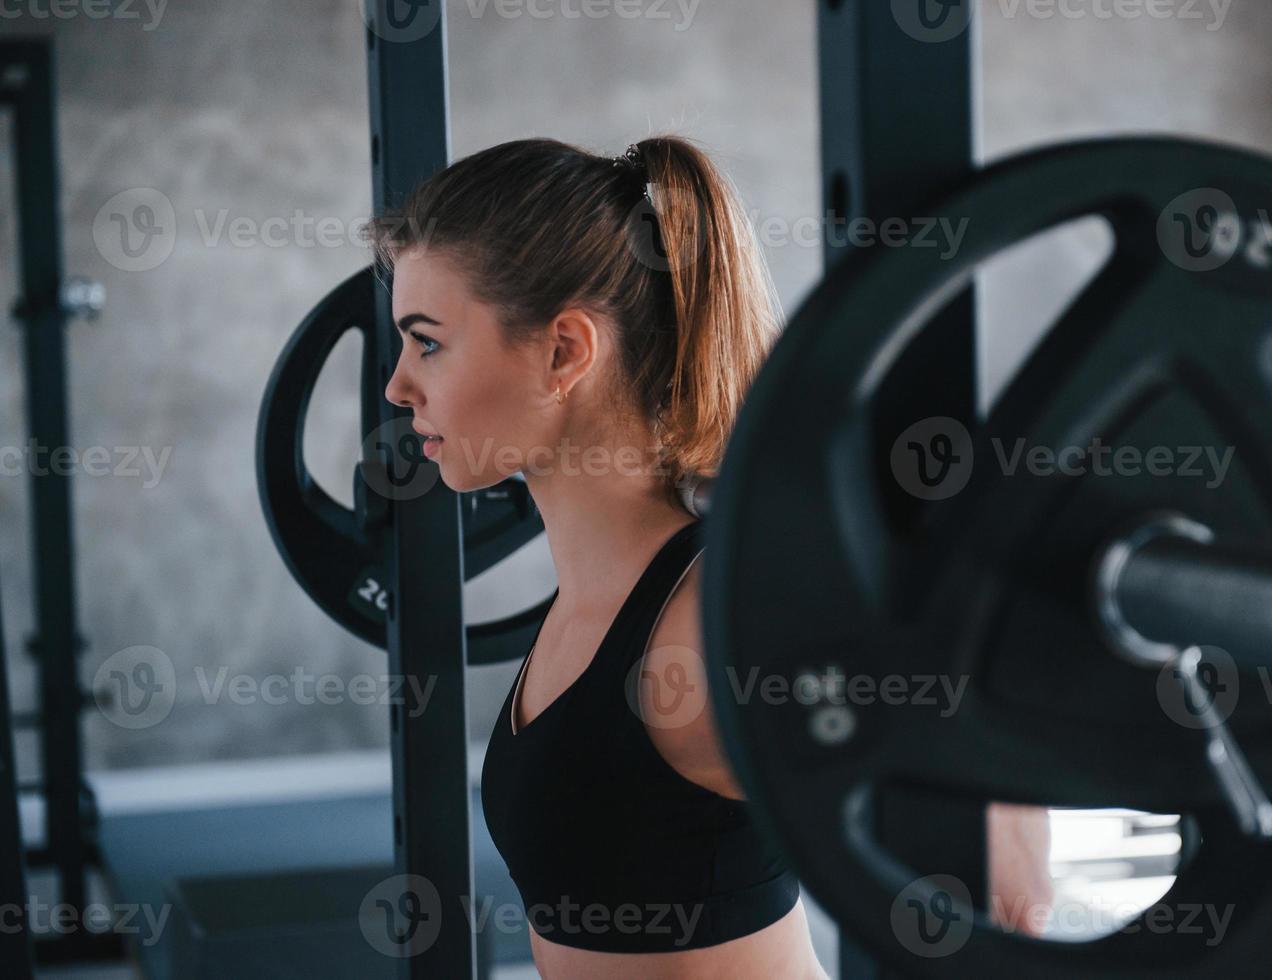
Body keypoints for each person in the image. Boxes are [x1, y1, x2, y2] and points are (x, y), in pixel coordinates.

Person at [375, 136, 1051, 978]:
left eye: (427, 342)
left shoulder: (704, 630)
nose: (399, 386)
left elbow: (1007, 863)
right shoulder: (602, 598)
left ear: (563, 353)